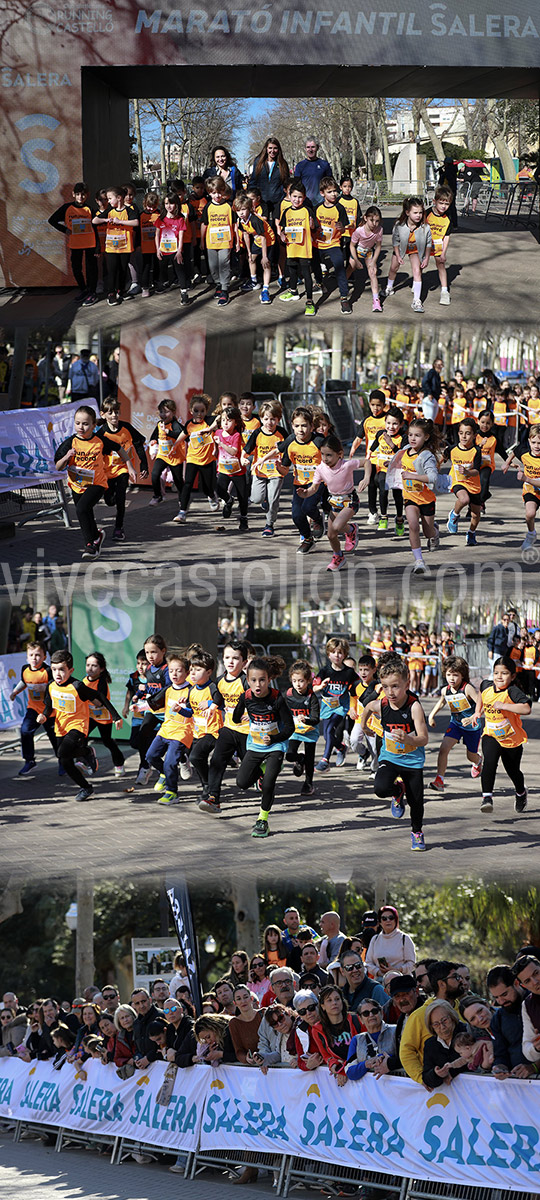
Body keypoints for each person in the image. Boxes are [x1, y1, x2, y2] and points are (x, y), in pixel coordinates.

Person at [362, 651, 429, 851]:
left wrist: (409, 739)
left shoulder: (414, 707)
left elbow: (424, 738)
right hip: (390, 757)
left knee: (416, 802)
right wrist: (364, 726)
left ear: (406, 685)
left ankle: (417, 832)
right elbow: (368, 707)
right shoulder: (382, 705)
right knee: (380, 789)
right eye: (385, 687)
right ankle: (397, 791)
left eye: (395, 686)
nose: (390, 692)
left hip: (412, 761)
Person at [38, 649, 121, 802]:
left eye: (61, 670)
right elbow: (49, 706)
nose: (57, 674)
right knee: (64, 760)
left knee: (62, 752)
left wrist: (115, 717)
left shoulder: (77, 686)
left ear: (71, 670)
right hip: (61, 727)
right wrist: (43, 715)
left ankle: (86, 751)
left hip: (78, 725)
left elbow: (99, 696)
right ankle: (86, 787)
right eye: (54, 669)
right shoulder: (51, 686)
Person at [54, 404, 136, 559]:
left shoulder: (100, 441)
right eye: (78, 423)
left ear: (93, 425)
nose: (81, 427)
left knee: (81, 509)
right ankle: (97, 536)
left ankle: (90, 545)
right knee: (86, 513)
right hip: (77, 485)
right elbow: (58, 466)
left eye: (85, 424)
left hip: (97, 483)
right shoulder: (70, 443)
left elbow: (119, 448)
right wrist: (67, 457)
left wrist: (129, 465)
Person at [233, 654, 295, 838]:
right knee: (242, 783)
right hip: (255, 746)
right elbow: (236, 719)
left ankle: (262, 819)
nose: (258, 685)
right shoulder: (246, 697)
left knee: (268, 784)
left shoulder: (277, 699)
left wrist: (274, 739)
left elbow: (290, 727)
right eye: (253, 680)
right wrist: (241, 708)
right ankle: (263, 769)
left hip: (275, 746)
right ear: (247, 681)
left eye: (262, 680)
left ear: (269, 680)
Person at [475, 655, 530, 815]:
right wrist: (477, 712)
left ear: (512, 676)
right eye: (496, 673)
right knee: (489, 762)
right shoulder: (486, 685)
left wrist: (504, 706)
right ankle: (487, 798)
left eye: (504, 673)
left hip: (511, 739)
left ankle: (521, 792)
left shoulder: (512, 691)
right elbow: (481, 695)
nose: (499, 677)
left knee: (513, 771)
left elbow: (526, 708)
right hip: (491, 735)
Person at [298, 434, 359, 571]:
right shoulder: (320, 468)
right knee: (331, 535)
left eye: (329, 455)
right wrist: (305, 493)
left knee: (337, 526)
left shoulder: (346, 465)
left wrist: (365, 478)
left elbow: (366, 462)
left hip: (350, 500)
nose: (325, 459)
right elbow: (314, 488)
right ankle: (339, 556)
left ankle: (351, 529)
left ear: (339, 454)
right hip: (335, 503)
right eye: (323, 454)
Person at [389, 417, 442, 576]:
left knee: (428, 533)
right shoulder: (406, 450)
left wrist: (413, 476)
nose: (412, 438)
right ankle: (419, 561)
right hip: (410, 497)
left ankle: (435, 532)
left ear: (426, 437)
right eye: (410, 435)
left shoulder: (427, 456)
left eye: (417, 435)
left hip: (426, 499)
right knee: (412, 525)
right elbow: (399, 459)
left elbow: (433, 477)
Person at [399, 961, 466, 1085]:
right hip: (436, 1090)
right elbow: (406, 1051)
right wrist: (423, 1078)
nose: (461, 980)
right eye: (456, 977)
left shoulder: (466, 1009)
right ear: (441, 984)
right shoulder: (418, 1015)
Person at [145, 651, 194, 805]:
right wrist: (138, 707)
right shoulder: (168, 689)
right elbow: (155, 705)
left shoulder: (191, 691)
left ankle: (172, 793)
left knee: (169, 762)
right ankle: (165, 774)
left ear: (187, 673)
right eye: (171, 671)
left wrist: (183, 708)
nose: (174, 674)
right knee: (150, 756)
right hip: (166, 729)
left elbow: (193, 712)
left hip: (182, 732)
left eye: (178, 671)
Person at [97, 397, 149, 541]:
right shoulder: (101, 434)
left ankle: (119, 528)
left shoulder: (127, 428)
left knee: (121, 498)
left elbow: (139, 445)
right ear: (103, 415)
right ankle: (112, 497)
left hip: (124, 469)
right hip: (108, 472)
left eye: (116, 412)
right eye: (110, 413)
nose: (114, 415)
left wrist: (143, 465)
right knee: (109, 501)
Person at [428, 655, 482, 792]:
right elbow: (442, 702)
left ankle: (478, 761)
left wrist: (473, 717)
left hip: (472, 727)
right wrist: (431, 716)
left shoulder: (467, 688)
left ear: (462, 675)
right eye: (448, 675)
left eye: (455, 675)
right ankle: (439, 780)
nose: (451, 678)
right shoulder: (445, 690)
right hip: (456, 724)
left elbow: (481, 705)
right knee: (443, 749)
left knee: (470, 756)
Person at [278, 406, 324, 553]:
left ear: (311, 427)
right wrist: (278, 467)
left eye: (304, 426)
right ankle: (308, 539)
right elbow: (285, 469)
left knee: (308, 507)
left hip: (317, 482)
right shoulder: (291, 444)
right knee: (297, 515)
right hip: (299, 483)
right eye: (297, 426)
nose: (301, 430)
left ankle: (317, 519)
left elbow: (332, 458)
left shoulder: (319, 441)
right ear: (292, 426)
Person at [9, 641, 57, 777]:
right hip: (33, 709)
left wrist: (46, 690)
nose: (34, 658)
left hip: (49, 711)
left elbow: (56, 687)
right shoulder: (25, 669)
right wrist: (15, 692)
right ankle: (29, 761)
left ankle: (63, 761)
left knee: (55, 737)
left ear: (44, 657)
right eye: (31, 655)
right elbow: (24, 681)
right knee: (25, 731)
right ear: (27, 657)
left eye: (37, 655)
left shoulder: (48, 671)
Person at [48, 182, 99, 304]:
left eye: (83, 194)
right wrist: (65, 230)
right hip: (75, 244)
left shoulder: (89, 209)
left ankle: (92, 292)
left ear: (87, 195)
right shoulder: (67, 208)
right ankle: (83, 289)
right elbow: (52, 220)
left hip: (90, 243)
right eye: (78, 194)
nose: (81, 197)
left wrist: (98, 246)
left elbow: (95, 228)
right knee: (76, 268)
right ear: (73, 194)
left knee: (91, 268)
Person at [359, 405, 407, 535]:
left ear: (401, 424)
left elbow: (403, 455)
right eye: (389, 423)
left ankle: (399, 519)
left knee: (397, 496)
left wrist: (391, 444)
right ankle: (384, 517)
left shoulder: (403, 438)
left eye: (395, 424)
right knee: (382, 488)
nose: (391, 427)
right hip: (382, 469)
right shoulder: (381, 434)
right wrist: (369, 456)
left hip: (396, 471)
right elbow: (374, 445)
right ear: (385, 422)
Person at [243, 400, 286, 537]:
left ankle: (269, 524)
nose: (269, 422)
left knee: (274, 500)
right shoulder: (257, 433)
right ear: (261, 419)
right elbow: (247, 449)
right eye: (266, 419)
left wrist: (285, 463)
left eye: (273, 419)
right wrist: (243, 459)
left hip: (276, 472)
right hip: (259, 471)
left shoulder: (282, 433)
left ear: (278, 419)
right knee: (256, 499)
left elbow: (289, 449)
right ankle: (264, 500)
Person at [385, 196, 433, 314]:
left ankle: (416, 300)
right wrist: (398, 255)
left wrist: (426, 258)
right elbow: (395, 241)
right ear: (407, 212)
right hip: (401, 248)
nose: (418, 215)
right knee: (393, 268)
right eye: (415, 213)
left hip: (415, 249)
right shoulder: (399, 225)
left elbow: (428, 243)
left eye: (420, 212)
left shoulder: (425, 227)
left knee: (417, 271)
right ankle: (389, 287)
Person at [487, 964, 535, 1080]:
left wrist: (534, 1067)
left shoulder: (536, 1003)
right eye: (496, 997)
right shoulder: (498, 1018)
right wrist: (500, 1067)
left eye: (504, 994)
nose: (501, 1001)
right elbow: (500, 1053)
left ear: (516, 983)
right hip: (517, 1082)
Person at [92, 185, 139, 306]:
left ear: (119, 198)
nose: (108, 201)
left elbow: (136, 222)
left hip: (125, 247)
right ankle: (111, 293)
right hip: (111, 248)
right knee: (112, 270)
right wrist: (105, 220)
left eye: (110, 198)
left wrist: (120, 222)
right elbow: (94, 221)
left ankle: (121, 291)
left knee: (123, 270)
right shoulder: (109, 211)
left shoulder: (129, 210)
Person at [276, 180, 316, 316]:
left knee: (306, 274)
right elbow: (283, 228)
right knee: (292, 270)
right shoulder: (287, 212)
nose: (297, 200)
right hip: (291, 248)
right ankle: (293, 292)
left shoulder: (307, 210)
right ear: (289, 195)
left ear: (304, 197)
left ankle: (309, 301)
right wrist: (282, 235)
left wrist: (312, 225)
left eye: (300, 197)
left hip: (304, 249)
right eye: (294, 196)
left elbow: (314, 228)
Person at [83, 652, 126, 776]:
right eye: (88, 665)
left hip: (103, 717)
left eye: (94, 666)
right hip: (91, 716)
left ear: (101, 669)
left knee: (107, 741)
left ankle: (119, 763)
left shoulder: (101, 682)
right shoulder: (84, 681)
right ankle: (86, 761)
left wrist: (116, 717)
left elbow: (101, 702)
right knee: (81, 737)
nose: (90, 668)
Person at [314, 177, 351, 314]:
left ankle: (344, 297)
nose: (334, 194)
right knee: (315, 265)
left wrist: (341, 227)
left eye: (335, 191)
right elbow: (313, 227)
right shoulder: (317, 208)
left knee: (339, 268)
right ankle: (319, 283)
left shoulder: (340, 208)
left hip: (334, 243)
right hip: (318, 243)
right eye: (329, 192)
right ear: (322, 193)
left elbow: (343, 227)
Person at [284, 660, 320, 796]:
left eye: (301, 681)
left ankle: (308, 784)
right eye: (294, 681)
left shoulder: (312, 697)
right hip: (295, 731)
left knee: (310, 759)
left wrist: (306, 719)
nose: (298, 684)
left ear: (308, 681)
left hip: (310, 730)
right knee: (289, 755)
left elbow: (316, 719)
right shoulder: (288, 695)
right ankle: (300, 759)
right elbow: (280, 710)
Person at [312, 986, 362, 1084]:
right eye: (329, 1000)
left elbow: (364, 1048)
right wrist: (334, 1065)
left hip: (362, 1071)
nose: (334, 1003)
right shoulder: (317, 1029)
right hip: (340, 1078)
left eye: (337, 999)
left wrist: (344, 1069)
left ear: (342, 1001)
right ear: (322, 1006)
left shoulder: (357, 1020)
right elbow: (326, 1055)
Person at [502, 424, 540, 552]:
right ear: (529, 441)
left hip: (531, 483)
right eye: (534, 442)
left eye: (539, 443)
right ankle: (531, 534)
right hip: (531, 491)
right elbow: (516, 450)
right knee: (530, 514)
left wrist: (526, 479)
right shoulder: (525, 453)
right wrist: (507, 463)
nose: (537, 446)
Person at [446, 418, 483, 547]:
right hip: (458, 481)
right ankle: (454, 515)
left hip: (473, 484)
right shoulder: (452, 449)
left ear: (474, 435)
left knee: (475, 514)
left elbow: (476, 471)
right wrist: (436, 466)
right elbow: (443, 457)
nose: (463, 436)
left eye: (467, 433)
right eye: (461, 433)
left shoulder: (476, 451)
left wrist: (467, 472)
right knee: (464, 499)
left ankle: (471, 533)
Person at [200, 177, 236, 307]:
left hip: (226, 241)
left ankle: (225, 290)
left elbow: (234, 224)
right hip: (211, 242)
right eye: (214, 193)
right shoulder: (208, 207)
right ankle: (218, 284)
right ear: (209, 193)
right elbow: (204, 224)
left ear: (223, 190)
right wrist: (202, 241)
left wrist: (236, 241)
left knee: (224, 264)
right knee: (213, 266)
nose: (217, 196)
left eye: (219, 192)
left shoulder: (229, 206)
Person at [214, 404, 249, 529]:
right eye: (223, 420)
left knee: (242, 496)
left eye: (229, 420)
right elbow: (215, 443)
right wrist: (215, 450)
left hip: (237, 471)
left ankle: (243, 519)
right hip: (223, 469)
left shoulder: (236, 435)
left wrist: (221, 444)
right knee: (219, 490)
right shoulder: (218, 432)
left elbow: (234, 451)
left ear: (236, 422)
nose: (225, 423)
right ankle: (229, 501)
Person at [345, 999, 396, 1080]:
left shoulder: (396, 1031)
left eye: (374, 1011)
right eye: (366, 1013)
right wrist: (367, 1064)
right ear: (361, 1019)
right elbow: (350, 1072)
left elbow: (407, 1056)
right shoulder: (357, 1040)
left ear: (381, 1012)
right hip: (370, 1087)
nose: (371, 1015)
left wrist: (386, 1059)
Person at [422, 1000, 468, 1087]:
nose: (442, 1027)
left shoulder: (467, 1032)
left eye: (444, 1020)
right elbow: (426, 1077)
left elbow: (473, 1059)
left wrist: (452, 1072)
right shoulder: (430, 1044)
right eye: (436, 1024)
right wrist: (436, 1074)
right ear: (431, 1027)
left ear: (452, 1017)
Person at [364, 906, 416, 979]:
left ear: (396, 920)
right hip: (380, 981)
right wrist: (379, 972)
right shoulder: (375, 939)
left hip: (401, 980)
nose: (388, 920)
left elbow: (412, 964)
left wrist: (396, 970)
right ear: (380, 922)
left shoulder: (404, 938)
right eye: (384, 918)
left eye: (391, 918)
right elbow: (368, 963)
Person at [348, 206, 383, 313]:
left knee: (373, 273)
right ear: (365, 218)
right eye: (371, 220)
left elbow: (378, 246)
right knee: (350, 269)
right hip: (357, 252)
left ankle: (376, 301)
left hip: (368, 252)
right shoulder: (359, 231)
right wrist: (356, 260)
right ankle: (343, 290)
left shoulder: (379, 230)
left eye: (377, 221)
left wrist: (373, 261)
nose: (374, 224)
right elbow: (352, 246)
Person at [426, 187, 453, 305]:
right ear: (434, 201)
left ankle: (445, 291)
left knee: (441, 265)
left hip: (438, 245)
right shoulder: (427, 214)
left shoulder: (448, 217)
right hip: (426, 244)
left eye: (447, 204)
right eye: (441, 203)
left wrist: (443, 253)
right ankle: (417, 284)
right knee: (420, 265)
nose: (443, 206)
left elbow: (447, 236)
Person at [511, 956, 540, 1066]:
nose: (535, 982)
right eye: (528, 981)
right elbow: (527, 1047)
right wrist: (536, 1047)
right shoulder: (527, 1005)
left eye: (536, 973)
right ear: (523, 985)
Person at [229, 985, 264, 1063]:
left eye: (245, 997)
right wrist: (246, 1059)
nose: (243, 1001)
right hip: (252, 1066)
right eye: (239, 999)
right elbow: (239, 1051)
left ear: (251, 998)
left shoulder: (264, 1013)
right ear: (235, 1003)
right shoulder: (234, 1023)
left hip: (272, 1062)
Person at [294, 137, 332, 205]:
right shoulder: (300, 166)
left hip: (321, 203)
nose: (310, 150)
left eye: (313, 147)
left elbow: (330, 183)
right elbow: (296, 186)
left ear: (318, 148)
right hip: (305, 203)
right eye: (308, 147)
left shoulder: (324, 164)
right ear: (305, 149)